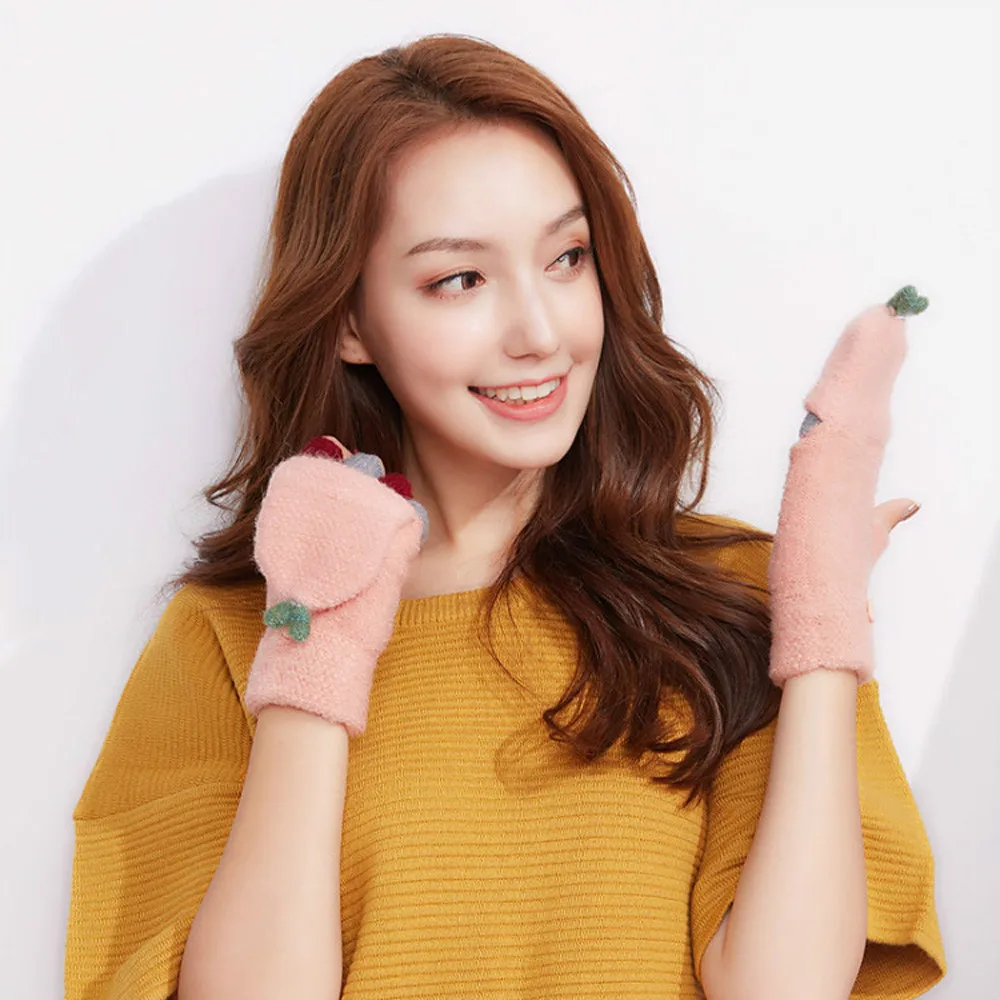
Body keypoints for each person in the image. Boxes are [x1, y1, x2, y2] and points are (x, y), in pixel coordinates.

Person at [63, 33, 946, 1000]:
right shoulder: (234, 633)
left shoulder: (740, 596)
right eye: (460, 279)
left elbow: (784, 989)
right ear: (350, 320)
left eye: (567, 258)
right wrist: (316, 640)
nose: (540, 331)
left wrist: (819, 619)